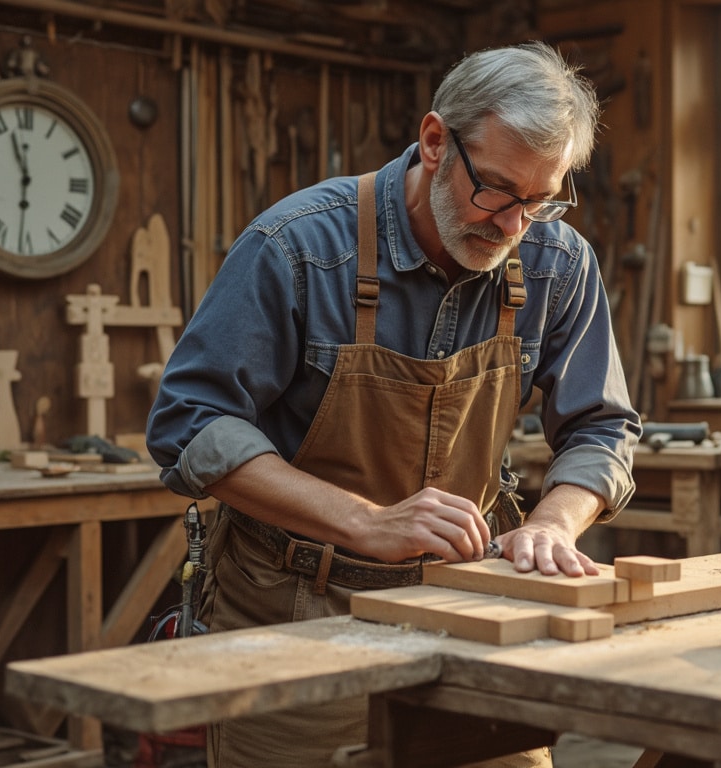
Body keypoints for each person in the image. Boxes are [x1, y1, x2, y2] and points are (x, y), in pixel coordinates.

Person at [146, 41, 640, 767]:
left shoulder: (556, 263)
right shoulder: (298, 248)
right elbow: (189, 426)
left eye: (541, 201)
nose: (512, 228)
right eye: (498, 191)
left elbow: (603, 424)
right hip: (297, 609)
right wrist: (367, 521)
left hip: (469, 604)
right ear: (435, 142)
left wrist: (552, 527)